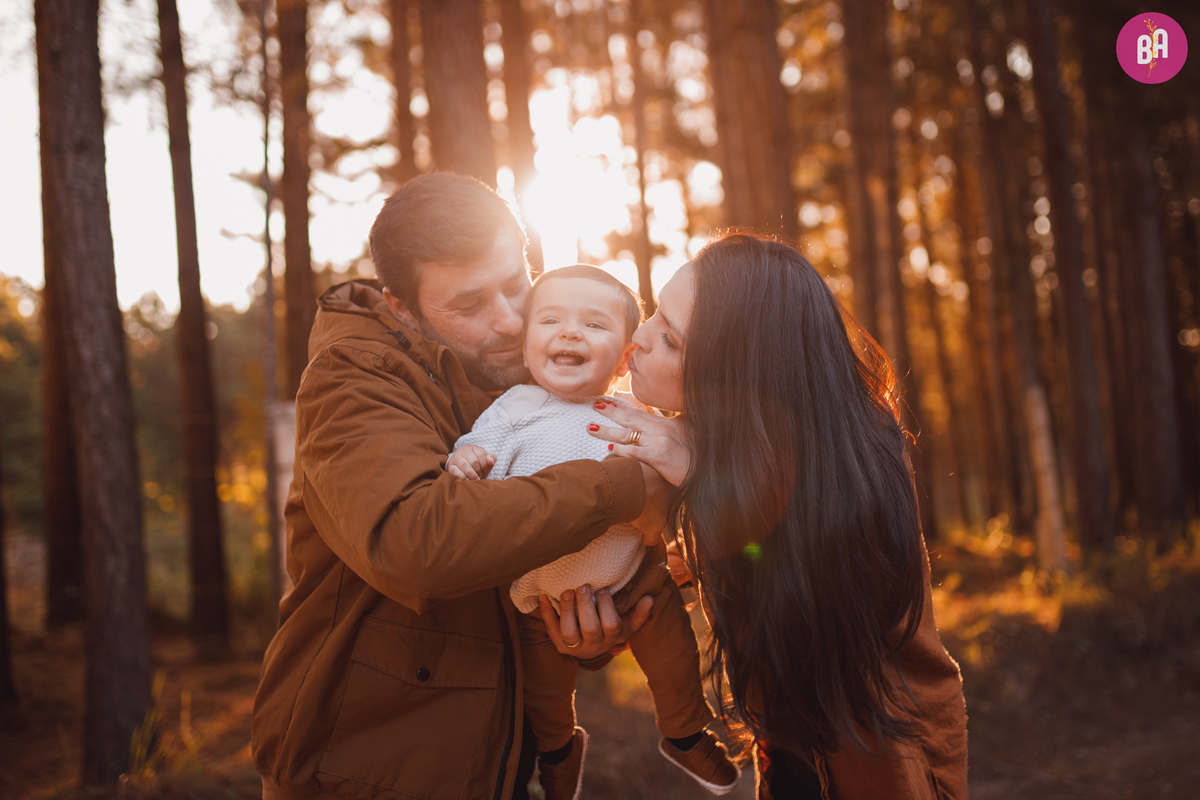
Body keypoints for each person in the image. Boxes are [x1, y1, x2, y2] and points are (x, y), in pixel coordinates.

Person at [250, 173, 671, 800]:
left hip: (489, 760)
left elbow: (530, 543)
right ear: (402, 307)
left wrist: (587, 620)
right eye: (469, 306)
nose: (507, 321)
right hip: (359, 768)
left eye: (514, 284)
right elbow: (416, 544)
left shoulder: (518, 370)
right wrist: (624, 484)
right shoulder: (353, 379)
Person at [584, 232, 970, 799]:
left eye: (668, 338)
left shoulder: (856, 456)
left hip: (888, 765)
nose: (637, 338)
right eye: (653, 312)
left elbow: (817, 598)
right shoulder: (714, 438)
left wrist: (701, 471)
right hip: (789, 757)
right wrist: (600, 619)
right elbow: (663, 574)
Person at [447, 265, 740, 799]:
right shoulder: (514, 408)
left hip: (634, 580)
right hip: (541, 596)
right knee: (545, 693)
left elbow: (675, 486)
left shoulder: (635, 411)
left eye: (595, 325)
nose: (570, 333)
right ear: (528, 338)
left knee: (673, 651)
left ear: (626, 354)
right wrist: (465, 456)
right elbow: (475, 451)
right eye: (551, 319)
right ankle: (558, 758)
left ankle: (684, 732)